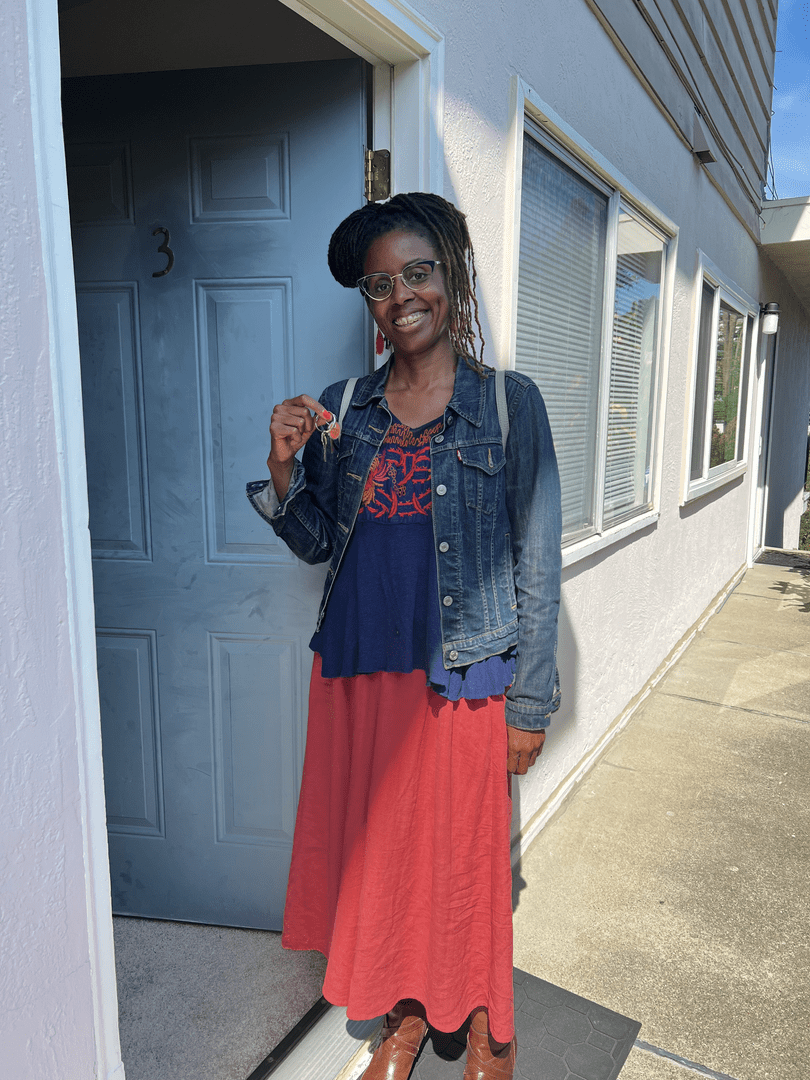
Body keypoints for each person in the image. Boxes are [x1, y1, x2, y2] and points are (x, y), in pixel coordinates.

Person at [246, 192, 561, 1080]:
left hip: (461, 673)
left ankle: (491, 1029)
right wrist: (282, 469)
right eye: (379, 284)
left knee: (463, 862)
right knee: (387, 861)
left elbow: (538, 562)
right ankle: (409, 1016)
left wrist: (531, 701)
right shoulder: (347, 405)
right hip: (358, 671)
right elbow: (319, 542)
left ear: (451, 277)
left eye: (417, 271)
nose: (400, 295)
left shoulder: (509, 404)